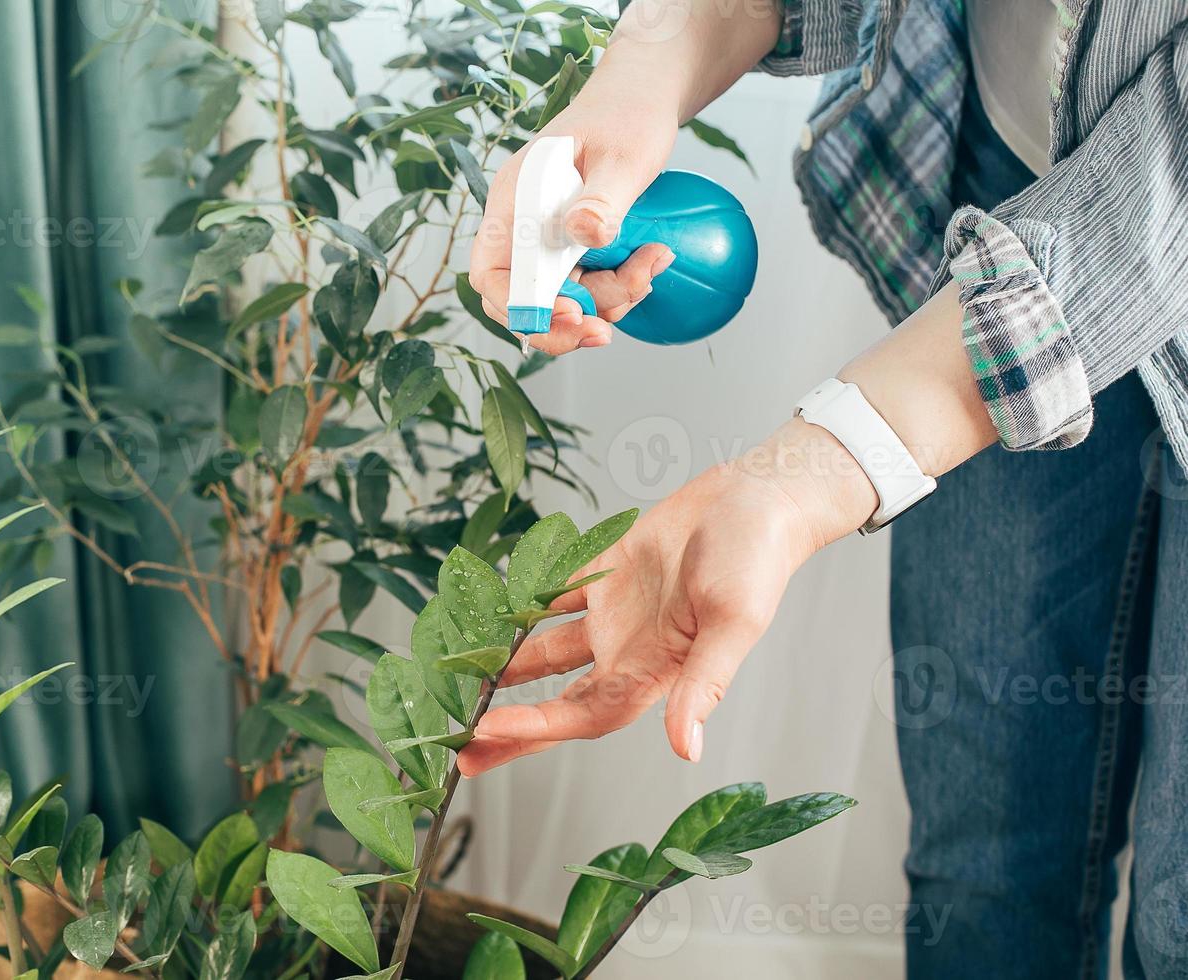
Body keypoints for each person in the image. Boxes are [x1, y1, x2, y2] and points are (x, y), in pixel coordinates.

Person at [459, 0, 1188, 976]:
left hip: (1128, 203)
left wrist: (798, 485)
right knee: (982, 863)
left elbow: (1166, 183)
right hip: (1016, 156)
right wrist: (643, 66)